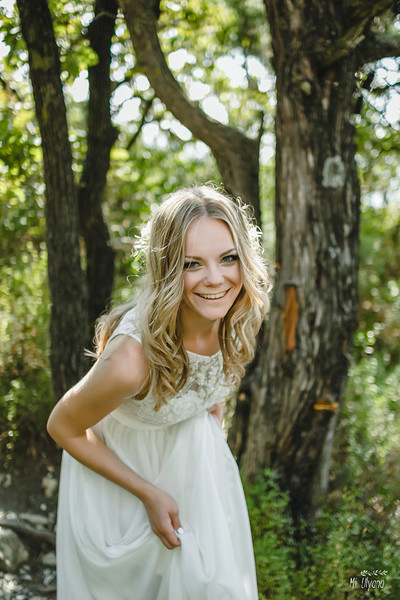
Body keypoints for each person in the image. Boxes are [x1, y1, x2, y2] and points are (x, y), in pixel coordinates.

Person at [47, 184, 270, 600]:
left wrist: (211, 428)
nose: (216, 278)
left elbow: (212, 384)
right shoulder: (131, 359)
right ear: (166, 268)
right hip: (120, 477)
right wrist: (148, 493)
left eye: (228, 258)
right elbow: (62, 426)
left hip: (189, 463)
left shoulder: (237, 315)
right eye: (192, 264)